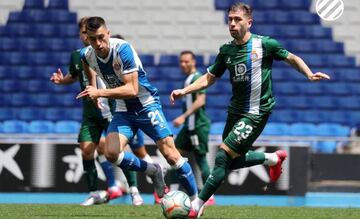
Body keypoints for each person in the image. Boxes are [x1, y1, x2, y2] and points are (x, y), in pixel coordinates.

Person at [170, 2, 330, 218]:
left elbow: (291, 58)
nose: (233, 24)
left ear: (249, 22)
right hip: (234, 112)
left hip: (256, 112)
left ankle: (198, 204)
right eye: (230, 20)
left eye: (237, 20)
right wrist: (185, 90)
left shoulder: (265, 44)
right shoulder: (226, 50)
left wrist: (309, 74)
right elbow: (209, 78)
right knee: (231, 162)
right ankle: (272, 159)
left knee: (222, 157)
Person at [76, 16, 198, 201]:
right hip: (123, 109)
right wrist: (91, 86)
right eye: (93, 39)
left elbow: (132, 90)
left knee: (172, 156)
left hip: (146, 104)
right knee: (111, 153)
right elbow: (86, 64)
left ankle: (197, 200)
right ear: (87, 38)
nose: (98, 43)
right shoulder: (87, 54)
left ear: (108, 33)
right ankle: (153, 170)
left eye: (102, 37)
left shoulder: (123, 49)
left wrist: (99, 92)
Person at [50, 17, 144, 206]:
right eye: (84, 33)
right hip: (90, 112)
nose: (88, 36)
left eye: (90, 33)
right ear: (81, 35)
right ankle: (94, 192)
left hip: (111, 108)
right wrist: (63, 80)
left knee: (120, 148)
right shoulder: (78, 55)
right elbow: (74, 76)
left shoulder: (107, 51)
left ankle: (133, 189)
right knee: (86, 150)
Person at [170, 51, 214, 205]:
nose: (183, 64)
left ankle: (209, 196)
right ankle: (174, 191)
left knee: (201, 159)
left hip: (197, 126)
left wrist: (183, 116)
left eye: (186, 61)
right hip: (188, 127)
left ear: (194, 62)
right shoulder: (187, 79)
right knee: (173, 154)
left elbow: (201, 100)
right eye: (181, 61)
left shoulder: (197, 78)